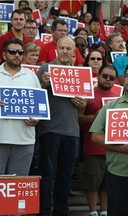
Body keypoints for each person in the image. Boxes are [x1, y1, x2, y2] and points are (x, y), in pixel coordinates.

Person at [37, 36, 86, 215]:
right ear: (56, 50)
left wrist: (81, 103)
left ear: (74, 52)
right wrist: (43, 84)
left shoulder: (80, 74)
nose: (65, 51)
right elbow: (35, 95)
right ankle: (43, 211)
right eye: (62, 48)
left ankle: (61, 211)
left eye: (69, 49)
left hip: (72, 132)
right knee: (47, 175)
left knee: (65, 176)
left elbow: (85, 103)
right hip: (50, 129)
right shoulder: (45, 69)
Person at [0, 38, 41, 176]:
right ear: (4, 55)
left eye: (20, 52)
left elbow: (40, 106)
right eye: (13, 52)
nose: (17, 55)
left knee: (18, 185)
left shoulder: (31, 75)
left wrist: (37, 119)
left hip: (24, 139)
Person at [78, 65, 118, 216]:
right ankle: (93, 212)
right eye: (105, 76)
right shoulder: (87, 94)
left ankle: (105, 212)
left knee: (107, 185)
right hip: (92, 147)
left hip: (112, 149)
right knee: (93, 183)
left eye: (112, 78)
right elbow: (78, 119)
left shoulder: (118, 97)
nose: (108, 80)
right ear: (98, 76)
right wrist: (93, 117)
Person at [90, 68, 128, 216]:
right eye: (127, 75)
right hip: (118, 173)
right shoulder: (112, 106)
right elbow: (95, 136)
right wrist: (119, 148)